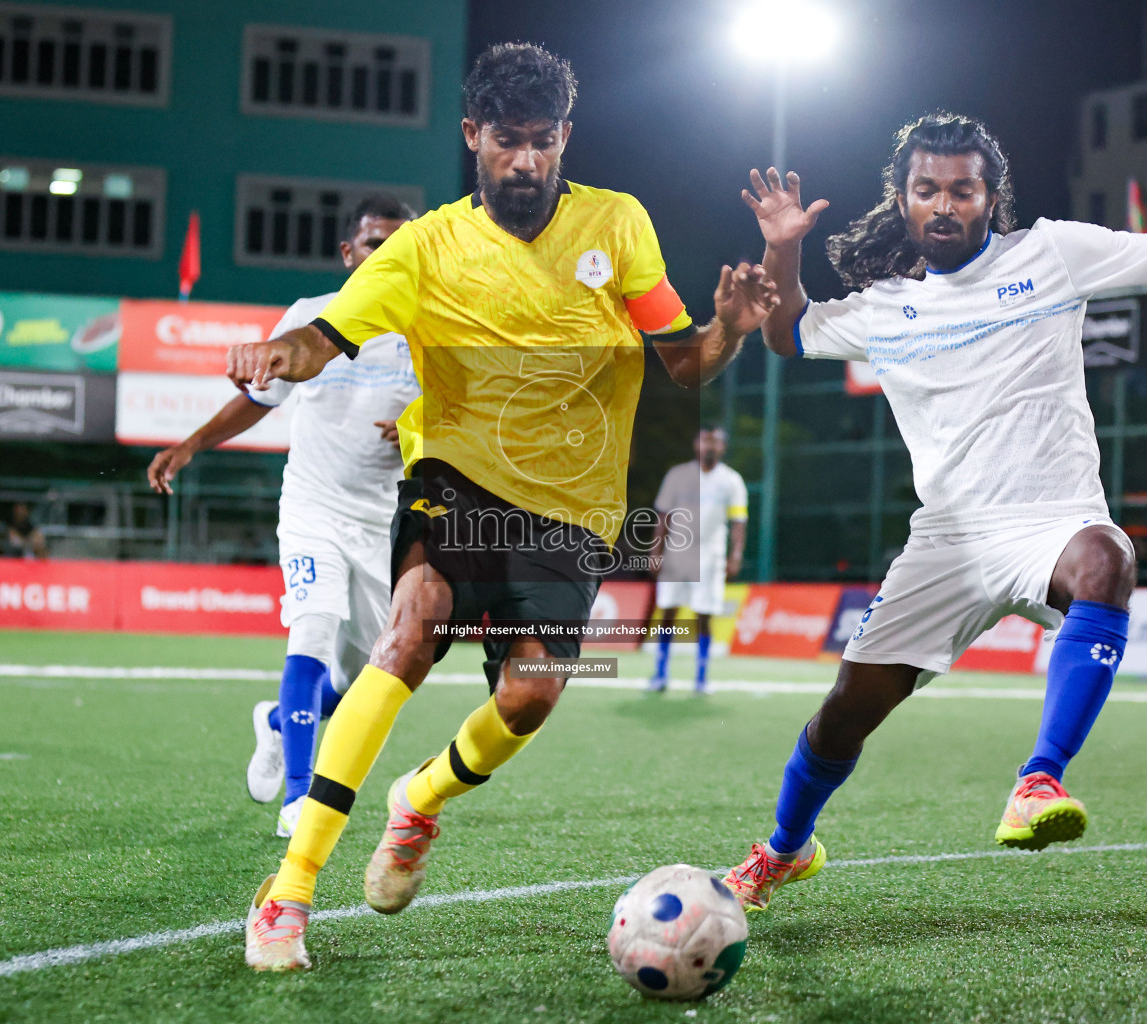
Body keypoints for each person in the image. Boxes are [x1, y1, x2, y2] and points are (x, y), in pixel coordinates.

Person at [227, 42, 778, 972]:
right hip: (455, 478)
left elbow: (682, 362)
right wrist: (279, 354)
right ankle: (289, 888)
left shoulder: (618, 225)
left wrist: (731, 328)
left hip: (574, 514)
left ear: (566, 137)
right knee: (412, 626)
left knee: (529, 695)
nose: (527, 162)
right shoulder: (424, 246)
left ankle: (419, 802)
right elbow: (327, 337)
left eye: (545, 142)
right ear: (473, 136)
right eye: (509, 142)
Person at [719, 113, 1147, 912]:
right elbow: (787, 332)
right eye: (927, 189)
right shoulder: (886, 308)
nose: (944, 204)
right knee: (844, 717)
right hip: (946, 543)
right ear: (902, 200)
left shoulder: (1050, 253)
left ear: (990, 197)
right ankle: (785, 850)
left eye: (962, 190)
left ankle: (1037, 782)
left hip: (1054, 521)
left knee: (1107, 560)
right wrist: (784, 244)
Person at [147, 195, 420, 838]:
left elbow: (462, 415)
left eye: (397, 246)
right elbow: (259, 400)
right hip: (313, 508)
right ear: (347, 254)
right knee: (312, 631)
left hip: (385, 524)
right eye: (372, 244)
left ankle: (276, 722)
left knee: (366, 682)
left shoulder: (428, 329)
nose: (385, 256)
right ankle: (301, 797)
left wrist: (417, 427)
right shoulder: (310, 319)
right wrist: (190, 444)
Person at [647, 426, 747, 692]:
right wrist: (655, 552)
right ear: (696, 445)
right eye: (705, 440)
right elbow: (663, 517)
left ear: (723, 447)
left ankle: (701, 678)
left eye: (715, 441)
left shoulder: (732, 480)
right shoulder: (677, 475)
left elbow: (738, 522)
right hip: (677, 553)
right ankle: (660, 673)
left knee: (705, 614)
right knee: (668, 610)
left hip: (711, 555)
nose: (709, 446)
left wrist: (735, 555)